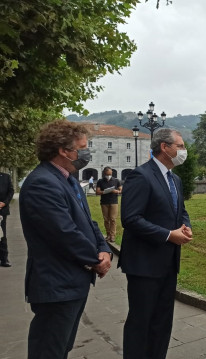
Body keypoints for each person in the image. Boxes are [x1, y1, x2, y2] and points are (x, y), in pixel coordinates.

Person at [19, 120, 112, 359]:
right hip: (57, 285)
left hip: (72, 282)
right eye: (82, 146)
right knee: (48, 351)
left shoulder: (69, 179)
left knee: (61, 348)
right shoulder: (42, 183)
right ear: (64, 150)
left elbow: (88, 222)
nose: (86, 152)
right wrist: (96, 259)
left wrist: (104, 249)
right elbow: (64, 233)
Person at [119, 128, 193, 359]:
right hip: (144, 264)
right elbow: (130, 219)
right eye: (180, 146)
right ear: (164, 147)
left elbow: (179, 210)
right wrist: (168, 235)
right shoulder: (141, 176)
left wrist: (185, 225)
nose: (183, 151)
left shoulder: (175, 179)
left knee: (162, 322)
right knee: (141, 323)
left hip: (168, 263)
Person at [96, 167, 122, 242]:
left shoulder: (116, 180)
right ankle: (108, 235)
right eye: (107, 174)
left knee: (113, 219)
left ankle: (113, 236)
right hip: (104, 202)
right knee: (106, 219)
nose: (109, 176)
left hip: (114, 202)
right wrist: (105, 192)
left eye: (110, 174)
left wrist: (115, 191)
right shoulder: (100, 181)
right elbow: (97, 192)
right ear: (104, 173)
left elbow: (120, 190)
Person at [0, 171, 14, 267]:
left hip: (2, 210)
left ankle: (4, 259)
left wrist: (4, 203)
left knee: (1, 235)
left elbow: (11, 191)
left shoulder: (6, 177)